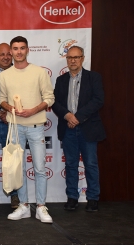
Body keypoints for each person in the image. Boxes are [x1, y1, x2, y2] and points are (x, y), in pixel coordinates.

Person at [0, 36, 54, 223]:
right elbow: (2, 100)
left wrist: (34, 110)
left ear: (27, 50)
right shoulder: (4, 75)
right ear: (11, 51)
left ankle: (40, 207)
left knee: (39, 169)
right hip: (15, 128)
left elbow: (49, 98)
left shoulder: (39, 72)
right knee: (18, 168)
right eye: (15, 48)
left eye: (22, 48)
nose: (19, 52)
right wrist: (10, 109)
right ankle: (23, 206)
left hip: (36, 127)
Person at [53, 46, 106, 212]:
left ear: (82, 58)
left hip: (88, 128)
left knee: (90, 164)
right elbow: (54, 103)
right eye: (69, 58)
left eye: (76, 57)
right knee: (70, 164)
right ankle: (72, 197)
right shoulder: (60, 80)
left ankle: (92, 198)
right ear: (66, 60)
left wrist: (77, 117)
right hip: (68, 128)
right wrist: (68, 116)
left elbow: (98, 100)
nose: (73, 60)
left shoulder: (94, 77)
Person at [0, 43, 20, 209]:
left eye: (9, 54)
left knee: (13, 161)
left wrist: (9, 114)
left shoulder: (19, 71)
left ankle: (15, 195)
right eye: (2, 54)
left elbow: (23, 97)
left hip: (13, 125)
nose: (6, 57)